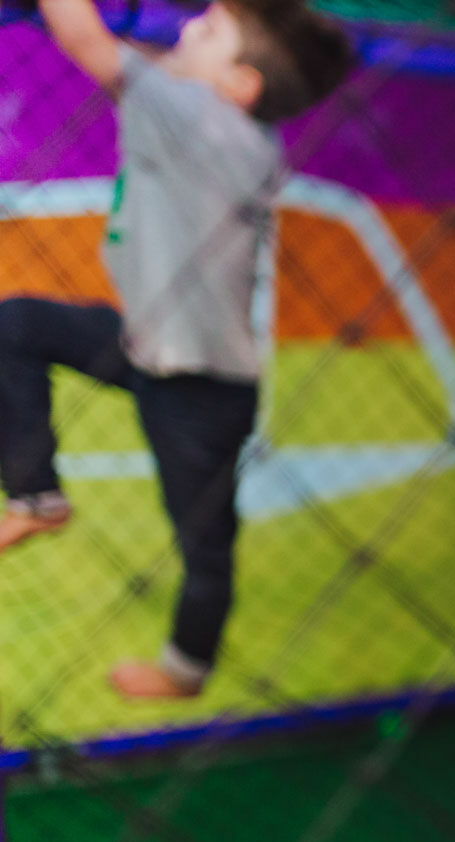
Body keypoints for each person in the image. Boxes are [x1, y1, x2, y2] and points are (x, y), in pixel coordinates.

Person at [0, 0, 353, 698]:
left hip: (202, 391)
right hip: (146, 346)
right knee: (14, 326)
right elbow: (151, 62)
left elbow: (84, 37)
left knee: (205, 549)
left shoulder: (195, 117)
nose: (188, 26)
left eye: (210, 28)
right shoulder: (234, 128)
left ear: (239, 85)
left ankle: (185, 671)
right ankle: (36, 495)